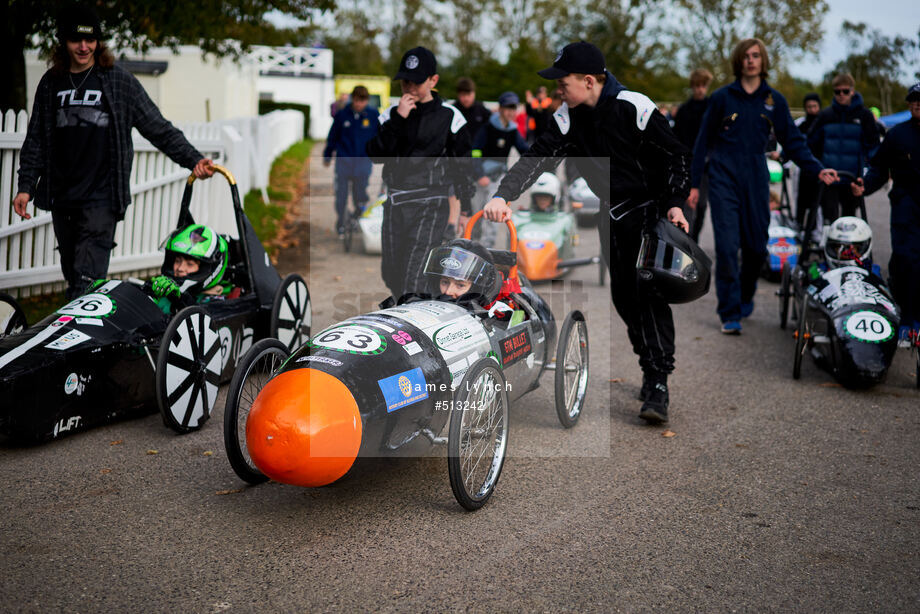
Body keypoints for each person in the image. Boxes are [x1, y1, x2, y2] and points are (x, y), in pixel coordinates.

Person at [483, 41, 691, 424]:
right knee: (624, 297)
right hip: (611, 217)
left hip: (652, 213)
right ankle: (650, 363)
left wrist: (677, 202)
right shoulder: (568, 116)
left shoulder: (635, 107)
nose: (558, 90)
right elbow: (537, 158)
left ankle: (658, 380)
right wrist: (503, 195)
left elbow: (677, 154)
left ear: (590, 81)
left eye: (563, 83)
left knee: (648, 294)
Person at [13, 5, 214, 301]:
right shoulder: (51, 83)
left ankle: (75, 342)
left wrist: (194, 159)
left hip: (102, 198)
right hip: (63, 197)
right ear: (63, 42)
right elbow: (36, 141)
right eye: (76, 41)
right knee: (73, 274)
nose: (84, 47)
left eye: (90, 40)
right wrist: (25, 187)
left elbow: (157, 127)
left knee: (85, 282)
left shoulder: (118, 81)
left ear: (99, 41)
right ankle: (87, 337)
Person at [689, 38, 838, 335]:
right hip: (722, 176)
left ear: (763, 60)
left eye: (756, 55)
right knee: (728, 248)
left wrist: (818, 170)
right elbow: (702, 141)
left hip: (756, 176)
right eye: (745, 56)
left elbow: (794, 143)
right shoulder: (722, 98)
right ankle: (729, 312)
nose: (751, 60)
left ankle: (745, 295)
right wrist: (693, 185)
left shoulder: (774, 100)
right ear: (738, 61)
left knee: (757, 248)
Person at [365, 46, 475, 302]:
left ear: (433, 81)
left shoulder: (451, 117)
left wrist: (466, 208)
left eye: (416, 82)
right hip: (394, 204)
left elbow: (463, 168)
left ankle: (413, 331)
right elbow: (377, 154)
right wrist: (400, 119)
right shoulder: (390, 116)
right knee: (391, 274)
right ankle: (418, 311)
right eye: (405, 81)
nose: (409, 88)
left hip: (430, 204)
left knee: (414, 278)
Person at [851, 82, 920, 347]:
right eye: (913, 100)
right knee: (904, 261)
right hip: (905, 207)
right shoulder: (897, 135)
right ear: (908, 104)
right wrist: (864, 187)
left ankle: (917, 320)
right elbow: (879, 169)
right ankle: (907, 320)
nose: (917, 104)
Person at [807, 74, 879, 220]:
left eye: (845, 91)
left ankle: (849, 244)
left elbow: (874, 147)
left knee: (849, 220)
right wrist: (817, 168)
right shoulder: (826, 115)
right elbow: (810, 142)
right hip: (829, 178)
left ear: (852, 91)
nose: (841, 95)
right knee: (829, 220)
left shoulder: (865, 116)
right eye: (837, 92)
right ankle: (828, 242)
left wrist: (867, 175)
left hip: (853, 178)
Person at [471, 91, 530, 245]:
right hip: (482, 177)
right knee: (476, 215)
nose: (511, 112)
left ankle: (486, 251)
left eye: (514, 108)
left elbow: (525, 150)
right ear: (500, 109)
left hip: (498, 178)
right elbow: (475, 151)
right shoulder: (487, 127)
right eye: (508, 108)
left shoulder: (513, 130)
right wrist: (479, 175)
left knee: (493, 217)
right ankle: (471, 246)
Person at [323, 85, 379, 235]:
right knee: (341, 195)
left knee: (360, 194)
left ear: (367, 101)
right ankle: (341, 221)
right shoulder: (342, 115)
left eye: (362, 101)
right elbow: (333, 137)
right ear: (352, 99)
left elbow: (380, 137)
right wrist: (328, 154)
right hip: (344, 161)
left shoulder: (373, 115)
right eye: (356, 101)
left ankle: (357, 217)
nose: (359, 104)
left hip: (363, 162)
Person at [143, 223, 232, 314]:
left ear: (206, 268)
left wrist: (181, 299)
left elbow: (204, 318)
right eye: (177, 261)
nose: (180, 268)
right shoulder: (166, 291)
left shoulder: (217, 300)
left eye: (190, 264)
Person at [674, 68, 713, 242]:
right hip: (687, 164)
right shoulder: (684, 110)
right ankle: (688, 242)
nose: (700, 89)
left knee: (702, 205)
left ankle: (694, 238)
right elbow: (677, 138)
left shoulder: (712, 108)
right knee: (688, 206)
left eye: (703, 86)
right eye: (697, 85)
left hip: (706, 167)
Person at [794, 93, 823, 226]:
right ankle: (799, 227)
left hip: (820, 168)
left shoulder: (823, 124)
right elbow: (793, 143)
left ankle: (814, 231)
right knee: (801, 201)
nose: (811, 109)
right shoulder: (801, 125)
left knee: (816, 203)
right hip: (804, 169)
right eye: (808, 107)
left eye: (814, 106)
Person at [454, 77, 490, 143]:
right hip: (457, 151)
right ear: (458, 95)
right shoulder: (453, 111)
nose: (466, 98)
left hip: (477, 150)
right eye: (463, 95)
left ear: (474, 93)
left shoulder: (482, 110)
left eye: (468, 94)